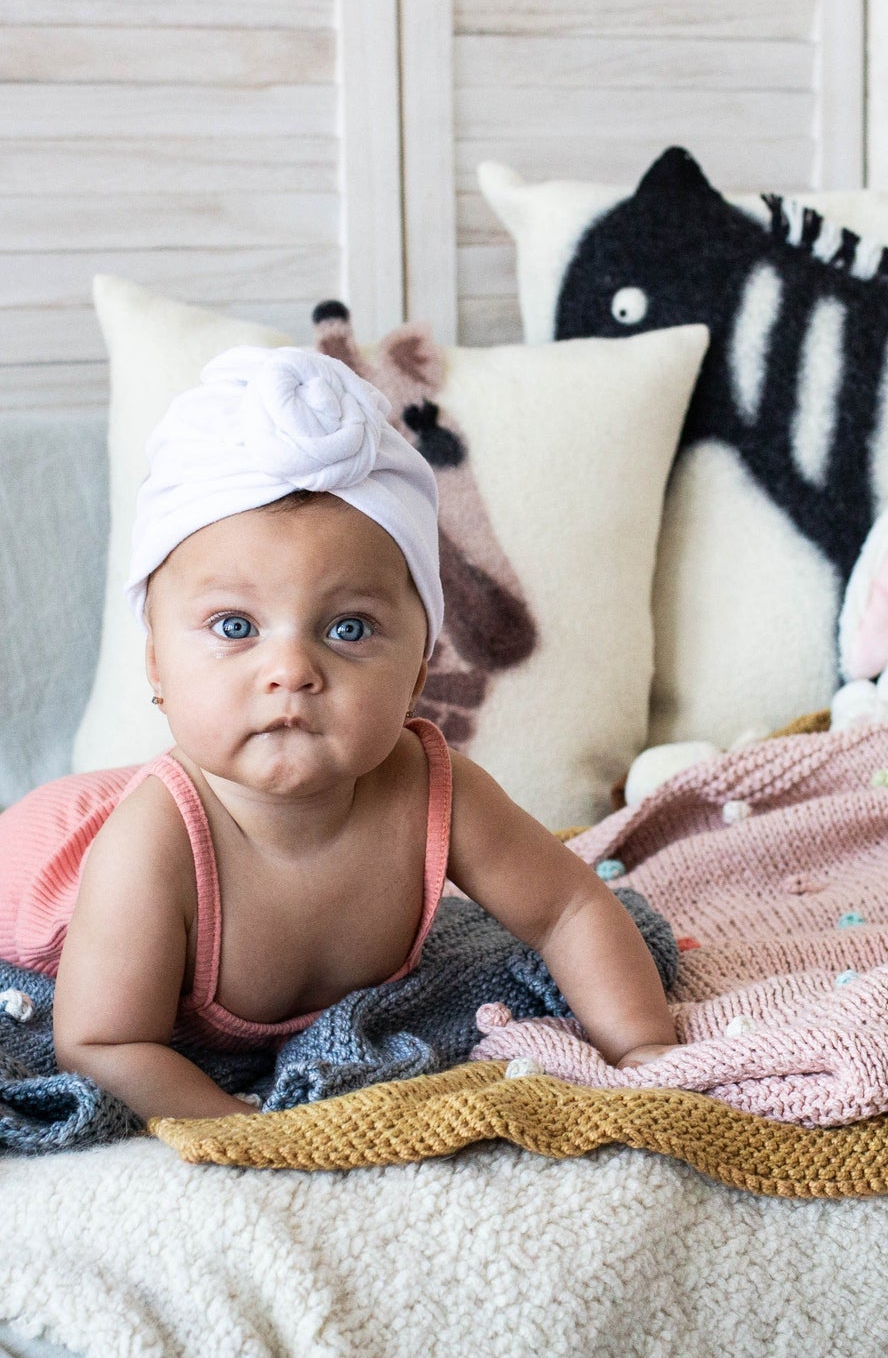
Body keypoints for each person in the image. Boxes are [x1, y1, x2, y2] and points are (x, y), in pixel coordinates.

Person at [0, 346, 677, 1120]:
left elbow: (570, 911)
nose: (290, 668)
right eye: (234, 625)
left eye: (348, 627)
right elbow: (104, 1044)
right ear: (156, 665)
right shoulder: (154, 841)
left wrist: (642, 1050)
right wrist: (245, 1132)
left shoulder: (434, 790)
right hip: (32, 887)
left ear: (420, 669)